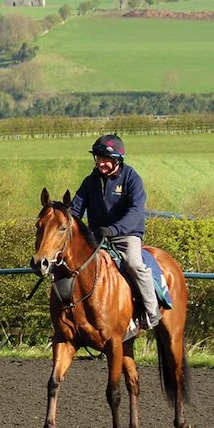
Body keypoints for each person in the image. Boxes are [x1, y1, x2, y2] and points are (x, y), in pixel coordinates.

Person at [70, 134, 161, 330]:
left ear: (117, 160)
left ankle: (151, 311)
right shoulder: (90, 181)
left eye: (105, 159)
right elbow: (75, 209)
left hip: (126, 236)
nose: (101, 163)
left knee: (134, 264)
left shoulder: (131, 179)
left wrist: (113, 229)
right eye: (98, 158)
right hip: (97, 237)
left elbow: (136, 212)